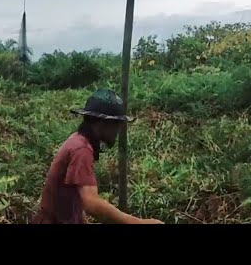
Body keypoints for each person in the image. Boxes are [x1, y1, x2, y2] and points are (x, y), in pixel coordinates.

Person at [32, 88, 164, 224]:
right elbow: (91, 203)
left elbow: (74, 197)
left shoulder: (79, 140)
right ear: (101, 123)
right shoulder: (81, 149)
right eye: (116, 124)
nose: (118, 131)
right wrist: (138, 222)